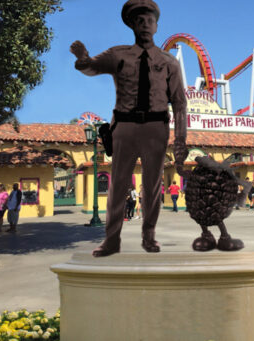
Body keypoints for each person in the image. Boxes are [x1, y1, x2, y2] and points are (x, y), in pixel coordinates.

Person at [71, 0, 188, 257]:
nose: (145, 24)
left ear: (157, 26)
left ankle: (149, 236)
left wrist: (181, 140)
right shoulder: (118, 55)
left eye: (150, 20)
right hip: (124, 125)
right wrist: (82, 59)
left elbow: (179, 103)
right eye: (140, 20)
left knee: (153, 184)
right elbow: (91, 66)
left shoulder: (170, 62)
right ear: (132, 25)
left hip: (156, 127)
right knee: (118, 184)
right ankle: (111, 240)